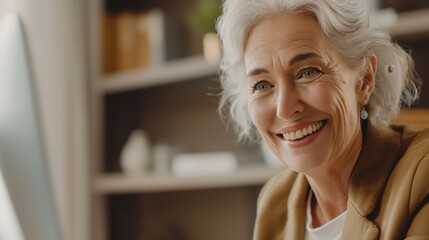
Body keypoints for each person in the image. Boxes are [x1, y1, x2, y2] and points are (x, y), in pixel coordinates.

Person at [216, 0, 429, 239]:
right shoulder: (275, 199)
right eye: (262, 85)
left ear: (364, 79)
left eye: (308, 72)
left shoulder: (422, 176)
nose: (284, 109)